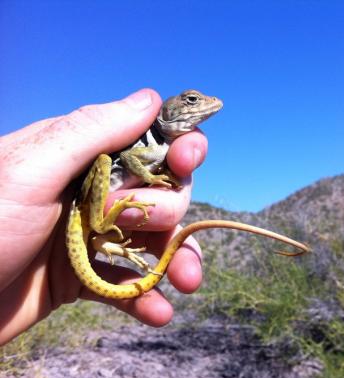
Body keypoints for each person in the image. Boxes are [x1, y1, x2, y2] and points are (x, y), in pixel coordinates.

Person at [0, 89, 206, 346]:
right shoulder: (150, 141)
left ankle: (100, 240)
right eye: (192, 101)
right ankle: (98, 227)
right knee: (103, 160)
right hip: (81, 207)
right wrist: (152, 178)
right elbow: (129, 157)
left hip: (79, 222)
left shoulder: (163, 147)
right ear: (168, 110)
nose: (201, 105)